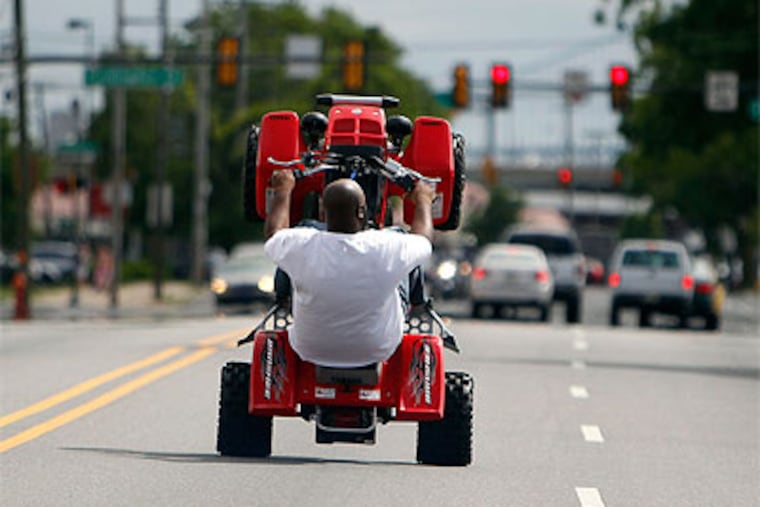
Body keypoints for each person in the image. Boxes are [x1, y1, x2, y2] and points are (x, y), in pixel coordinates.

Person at [264, 170, 436, 368]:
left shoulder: (302, 245)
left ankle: (282, 302)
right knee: (404, 244)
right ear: (361, 212)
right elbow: (423, 240)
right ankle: (419, 306)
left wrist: (283, 191)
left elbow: (274, 235)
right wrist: (423, 198)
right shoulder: (389, 246)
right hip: (378, 347)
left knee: (299, 235)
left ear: (324, 213)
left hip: (310, 348)